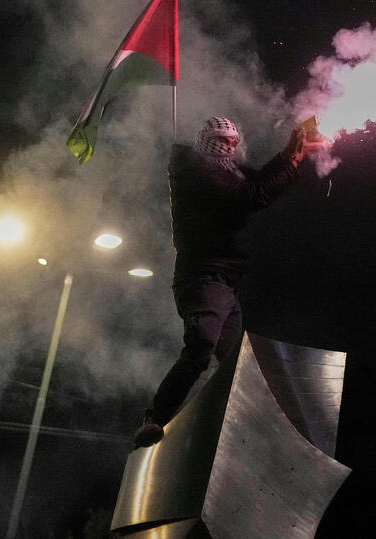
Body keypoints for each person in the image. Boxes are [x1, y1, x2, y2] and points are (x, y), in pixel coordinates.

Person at [133, 116, 320, 448]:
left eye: (233, 142)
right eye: (222, 141)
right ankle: (155, 418)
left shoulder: (224, 171)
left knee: (234, 362)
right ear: (206, 141)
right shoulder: (201, 174)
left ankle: (244, 430)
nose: (229, 148)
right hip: (204, 278)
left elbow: (257, 180)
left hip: (226, 281)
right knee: (201, 346)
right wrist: (293, 162)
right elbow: (253, 196)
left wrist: (289, 153)